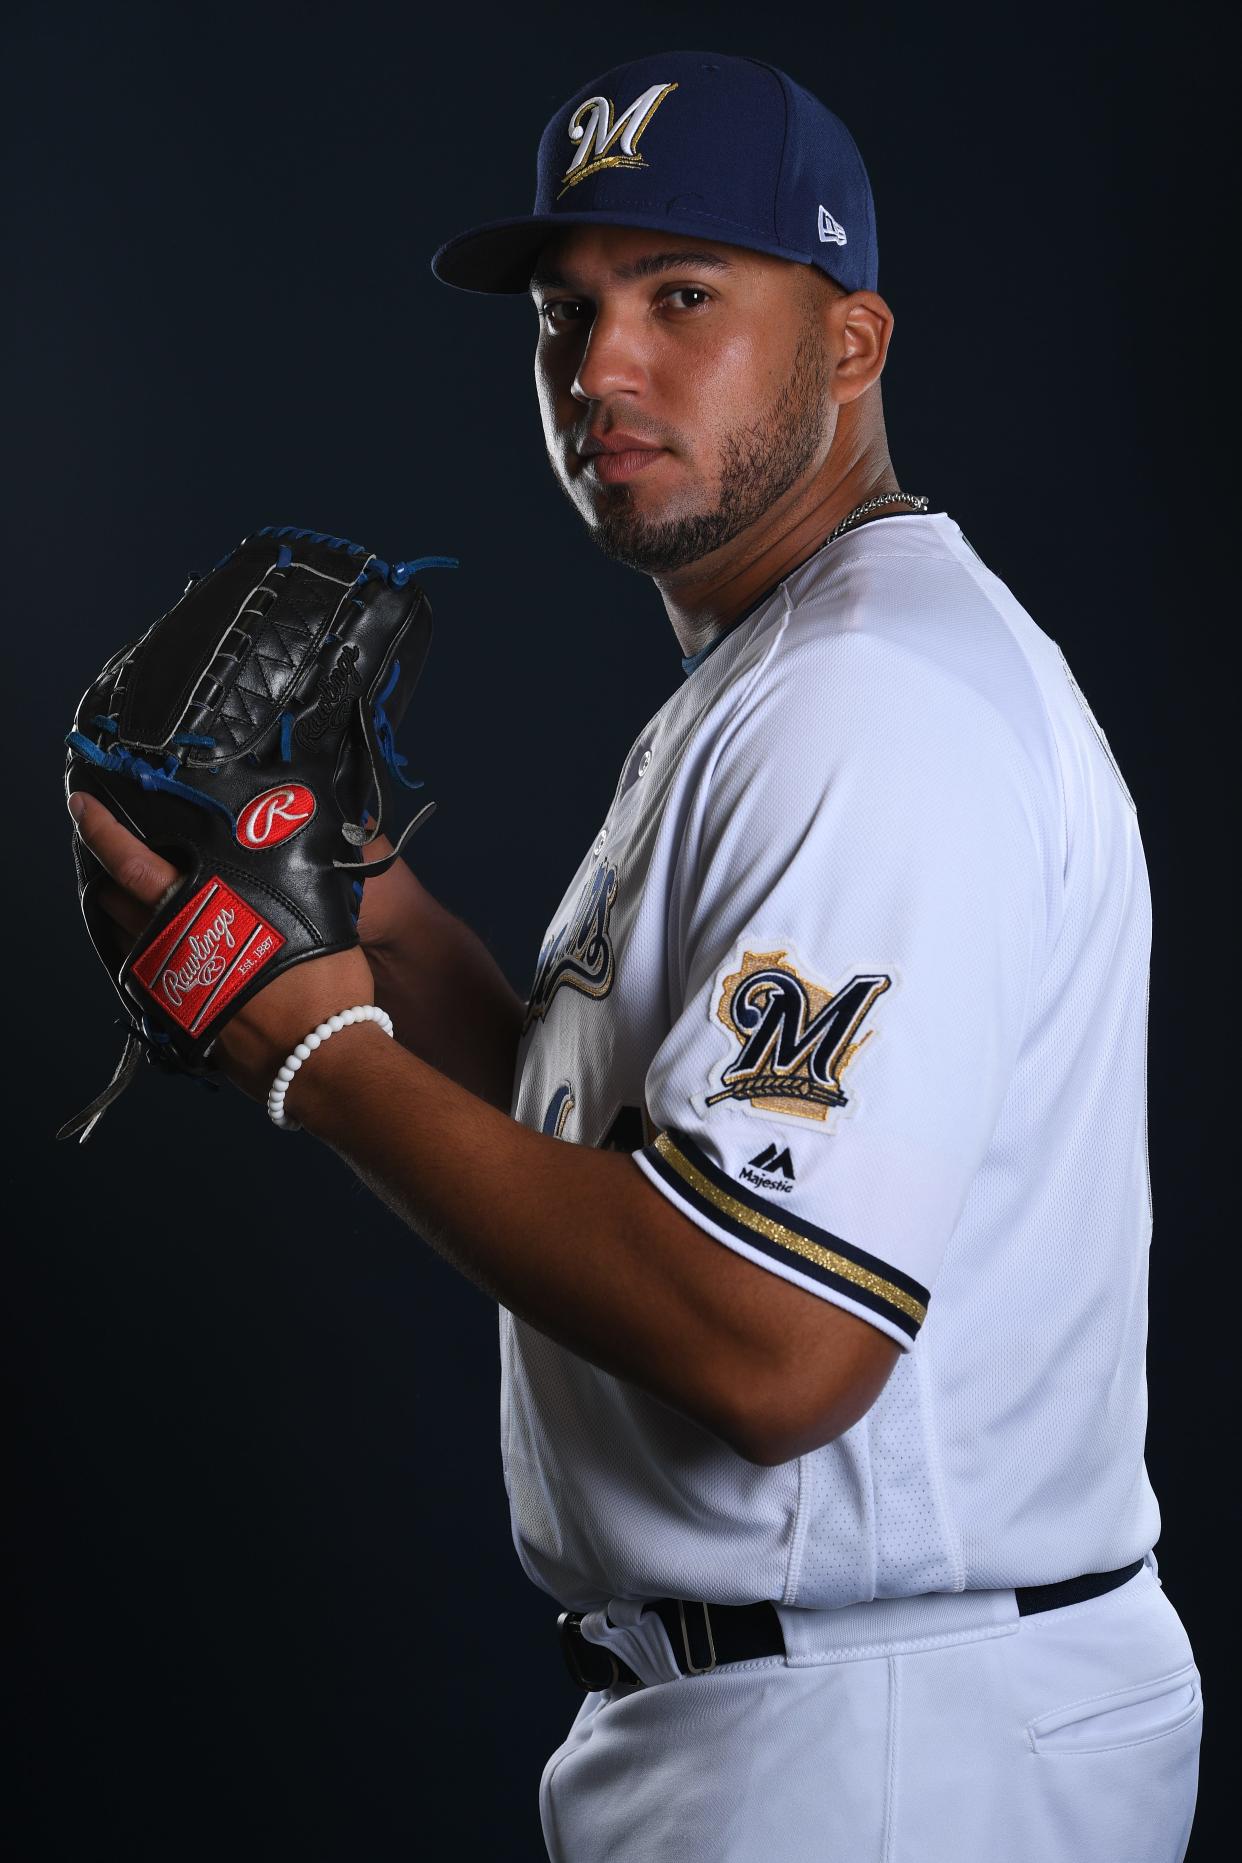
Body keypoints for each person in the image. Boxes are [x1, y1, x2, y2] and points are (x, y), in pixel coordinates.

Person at [69, 49, 1202, 1863]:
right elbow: (654, 1171)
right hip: (834, 1708)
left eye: (684, 297)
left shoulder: (864, 706)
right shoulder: (787, 669)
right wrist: (379, 924)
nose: (598, 369)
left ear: (850, 342)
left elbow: (769, 1346)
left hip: (889, 1744)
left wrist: (318, 1055)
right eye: (565, 313)